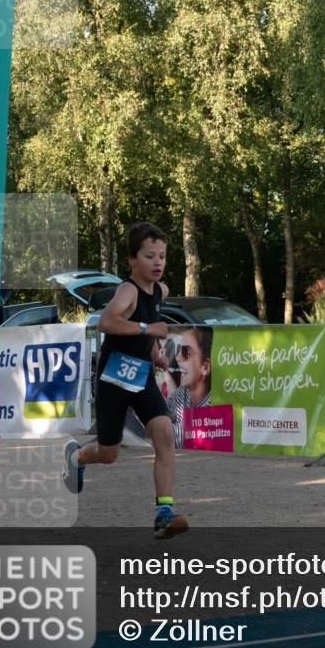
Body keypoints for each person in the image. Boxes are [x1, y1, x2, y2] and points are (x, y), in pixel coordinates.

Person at [61, 222, 188, 539]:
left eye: (162, 256)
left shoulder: (161, 290)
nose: (157, 263)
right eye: (149, 256)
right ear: (132, 261)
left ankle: (163, 513)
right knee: (109, 452)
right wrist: (148, 331)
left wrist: (156, 351)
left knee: (164, 433)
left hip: (142, 373)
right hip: (114, 376)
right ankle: (76, 456)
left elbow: (152, 325)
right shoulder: (127, 290)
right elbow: (107, 322)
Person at [166, 326, 213, 449]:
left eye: (186, 352)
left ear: (205, 367)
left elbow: (187, 438)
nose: (177, 358)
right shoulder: (183, 392)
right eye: (178, 351)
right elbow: (161, 416)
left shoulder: (213, 402)